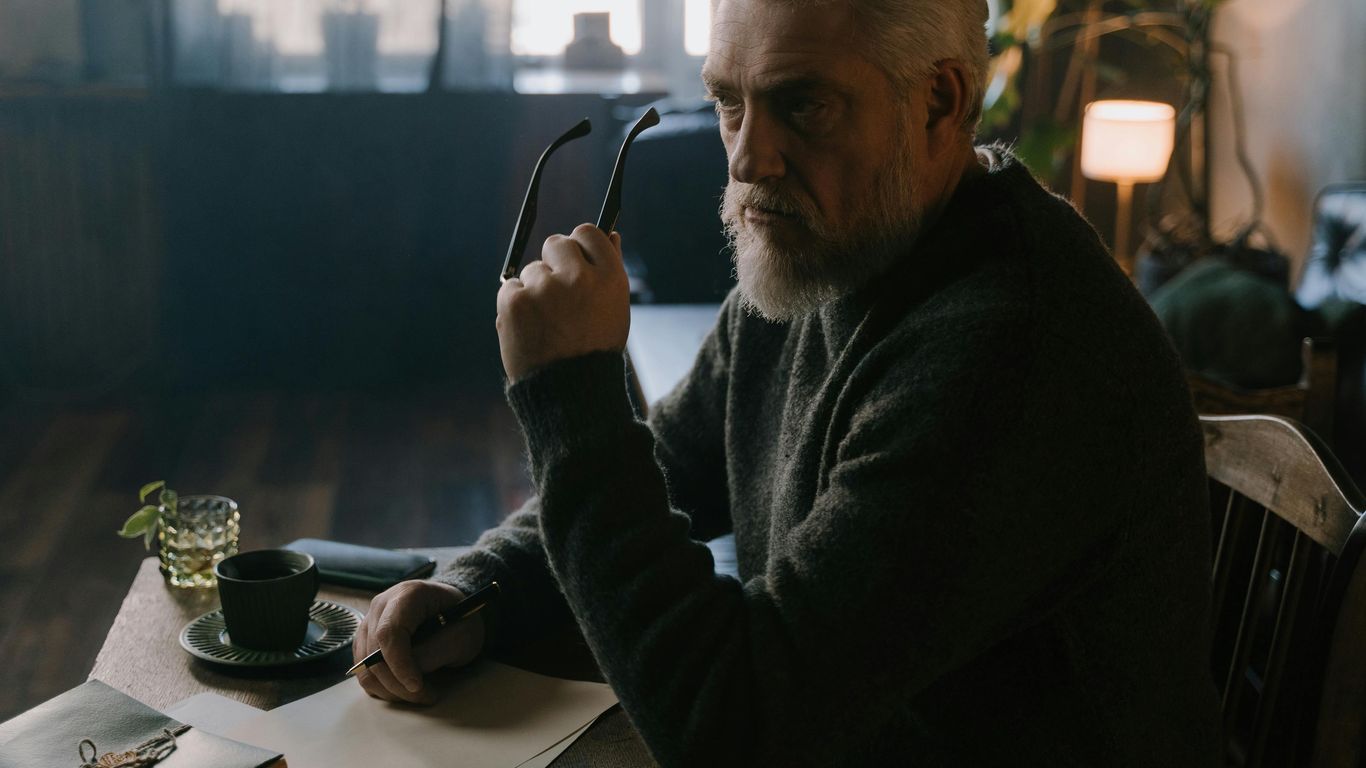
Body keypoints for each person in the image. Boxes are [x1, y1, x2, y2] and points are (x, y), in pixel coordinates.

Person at [352, 0, 1222, 764]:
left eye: (802, 104)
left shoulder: (1014, 349)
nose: (745, 159)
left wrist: (571, 395)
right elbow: (665, 469)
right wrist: (480, 589)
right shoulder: (831, 250)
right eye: (729, 101)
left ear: (940, 101)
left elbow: (733, 730)